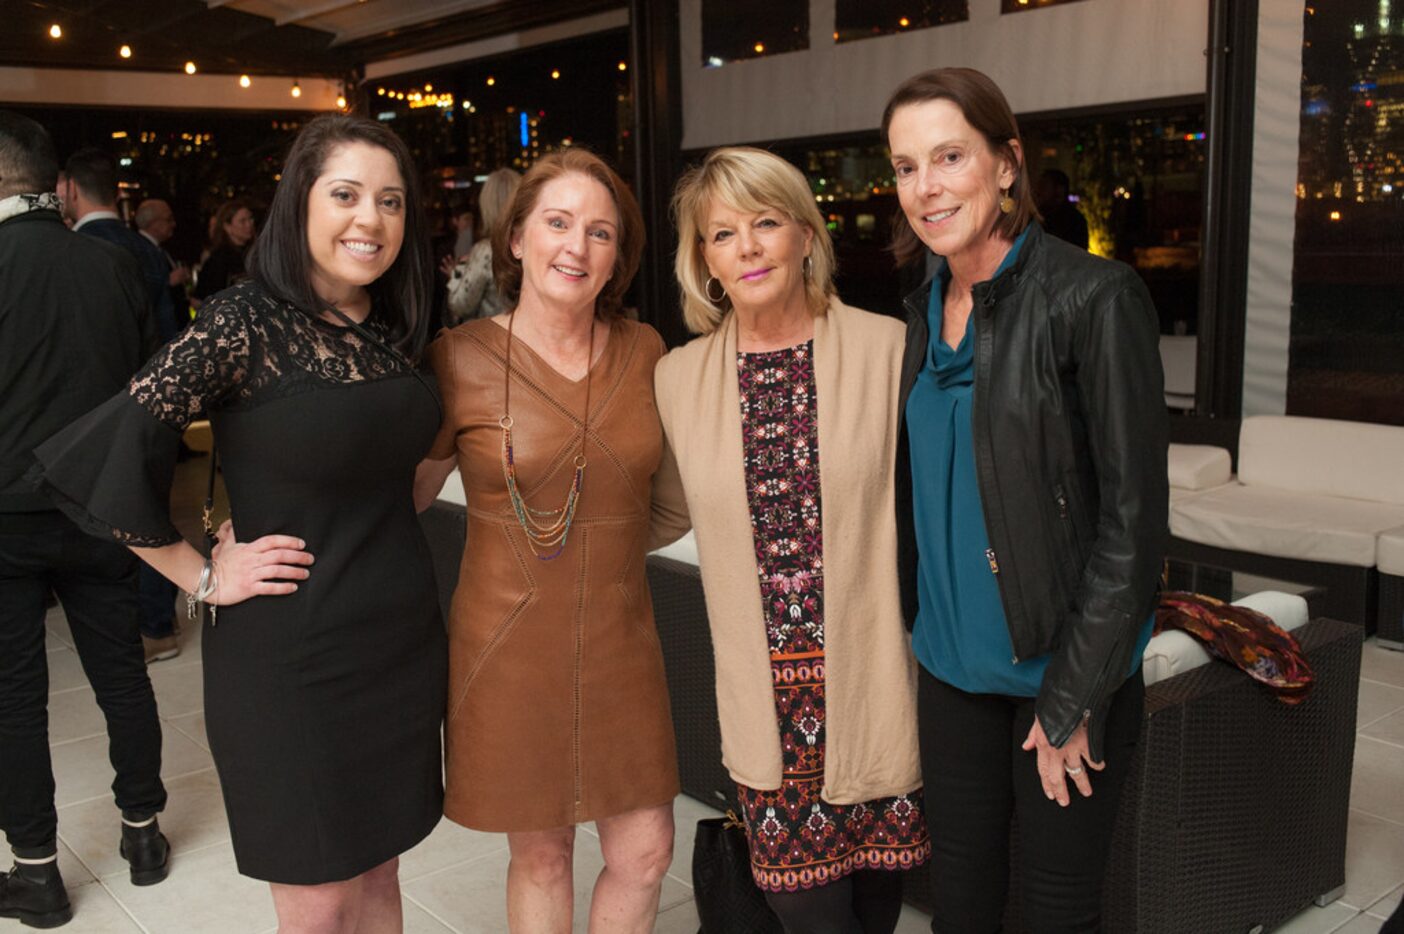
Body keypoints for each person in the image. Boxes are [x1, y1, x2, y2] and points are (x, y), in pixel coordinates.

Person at [32, 114, 447, 931]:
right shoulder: (242, 321)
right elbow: (102, 457)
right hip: (289, 656)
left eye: (391, 201)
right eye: (347, 194)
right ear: (299, 204)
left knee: (379, 879)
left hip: (397, 640)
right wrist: (202, 574)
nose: (371, 219)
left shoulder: (399, 327)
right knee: (319, 896)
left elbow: (396, 473)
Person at [883, 68, 1167, 933]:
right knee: (959, 897)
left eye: (948, 156)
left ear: (1007, 164)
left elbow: (1133, 522)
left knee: (1056, 906)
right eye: (903, 167)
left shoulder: (1094, 298)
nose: (925, 187)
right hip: (948, 666)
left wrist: (1075, 695)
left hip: (1058, 670)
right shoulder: (922, 313)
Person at [651, 146, 930, 934]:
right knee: (805, 913)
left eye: (766, 223)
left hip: (873, 693)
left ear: (806, 237)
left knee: (875, 915)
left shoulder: (889, 350)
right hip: (765, 711)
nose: (746, 247)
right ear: (702, 259)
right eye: (721, 233)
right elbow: (660, 510)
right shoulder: (680, 377)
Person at [414, 149, 677, 933]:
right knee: (542, 855)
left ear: (617, 257)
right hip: (508, 643)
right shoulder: (456, 359)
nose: (577, 246)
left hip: (623, 637)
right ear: (518, 238)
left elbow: (669, 500)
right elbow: (404, 498)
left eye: (601, 232)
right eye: (558, 223)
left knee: (646, 851)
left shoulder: (648, 352)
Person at [0, 110, 169, 929]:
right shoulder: (111, 267)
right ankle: (144, 834)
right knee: (121, 675)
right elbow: (150, 398)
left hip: (4, 517)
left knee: (14, 697)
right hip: (101, 508)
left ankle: (37, 873)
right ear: (50, 184)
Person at [443, 167, 520, 325]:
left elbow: (460, 305)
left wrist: (456, 274)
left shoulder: (486, 251)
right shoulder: (532, 245)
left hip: (489, 342)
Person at [135, 198, 193, 332]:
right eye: (168, 219)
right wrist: (168, 281)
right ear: (153, 222)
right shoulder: (141, 249)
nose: (173, 224)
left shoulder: (159, 248)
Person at [193, 198, 255, 300]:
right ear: (227, 226)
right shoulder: (218, 259)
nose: (249, 224)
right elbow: (202, 297)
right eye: (242, 221)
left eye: (250, 219)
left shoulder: (253, 253)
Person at [1034, 168, 1089, 251]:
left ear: (1059, 190)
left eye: (1043, 186)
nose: (1038, 190)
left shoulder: (1074, 221)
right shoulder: (1037, 216)